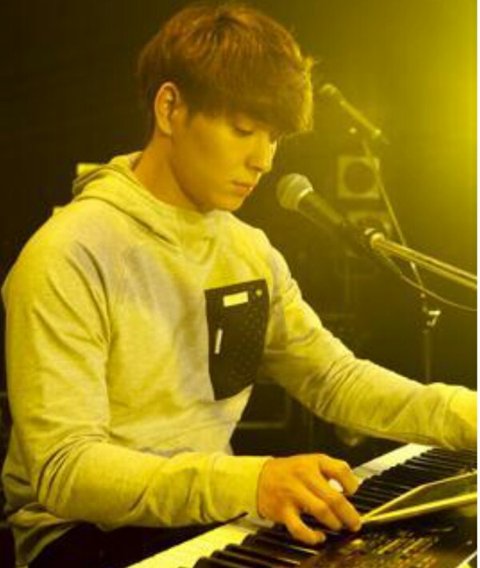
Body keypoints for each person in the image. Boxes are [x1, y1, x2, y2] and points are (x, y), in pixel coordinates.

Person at [1, 2, 476, 567]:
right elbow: (65, 469)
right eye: (244, 129)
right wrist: (251, 482)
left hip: (205, 519)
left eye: (274, 137)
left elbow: (333, 379)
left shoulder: (248, 250)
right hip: (83, 536)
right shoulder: (70, 253)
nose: (263, 160)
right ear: (170, 108)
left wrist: (462, 414)